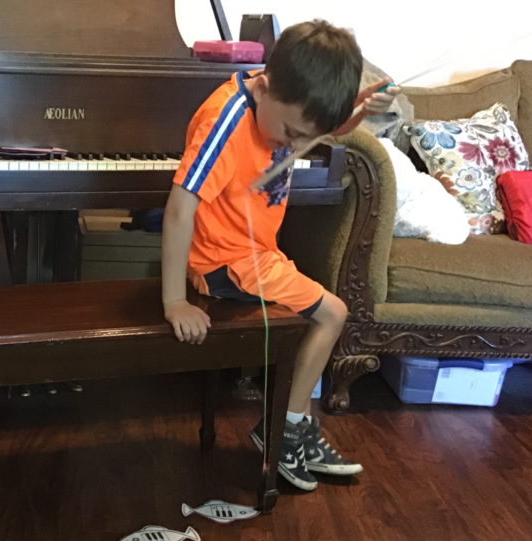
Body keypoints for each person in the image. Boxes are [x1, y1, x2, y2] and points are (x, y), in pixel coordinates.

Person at [161, 20, 399, 491]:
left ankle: (293, 425)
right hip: (225, 263)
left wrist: (359, 113)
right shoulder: (226, 119)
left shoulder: (275, 103)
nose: (293, 145)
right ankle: (285, 431)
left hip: (255, 253)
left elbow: (319, 132)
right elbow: (177, 209)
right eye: (291, 132)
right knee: (333, 313)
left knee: (324, 313)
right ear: (264, 85)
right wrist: (174, 302)